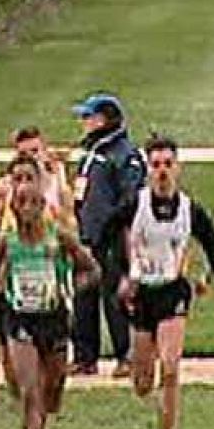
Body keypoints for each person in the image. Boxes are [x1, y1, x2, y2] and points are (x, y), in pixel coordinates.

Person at [116, 136, 214, 429]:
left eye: (168, 164)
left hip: (173, 292)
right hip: (142, 295)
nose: (162, 172)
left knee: (171, 367)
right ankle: (146, 382)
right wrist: (123, 276)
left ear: (177, 168)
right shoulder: (135, 205)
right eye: (156, 165)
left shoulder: (190, 210)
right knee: (142, 383)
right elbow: (103, 236)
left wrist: (206, 277)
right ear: (148, 170)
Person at [0, 161, 98, 429]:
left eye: (33, 202)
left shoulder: (58, 238)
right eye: (21, 203)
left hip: (53, 319)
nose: (28, 210)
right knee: (30, 391)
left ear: (42, 205)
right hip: (21, 319)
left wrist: (71, 289)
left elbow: (91, 269)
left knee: (52, 392)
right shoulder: (6, 242)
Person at [70, 93, 145, 376]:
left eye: (89, 116)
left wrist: (115, 227)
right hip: (86, 237)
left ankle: (126, 356)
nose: (84, 122)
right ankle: (84, 357)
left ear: (105, 120)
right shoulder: (91, 153)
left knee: (115, 297)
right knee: (83, 297)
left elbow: (131, 197)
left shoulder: (124, 155)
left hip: (112, 237)